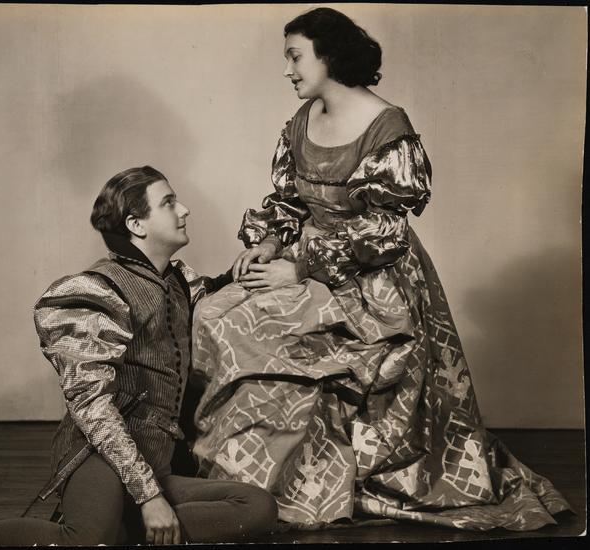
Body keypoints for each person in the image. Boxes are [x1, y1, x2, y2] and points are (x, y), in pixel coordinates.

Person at [190, 8, 571, 531]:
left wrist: (299, 268)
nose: (287, 70)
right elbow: (288, 200)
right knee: (216, 313)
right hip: (309, 261)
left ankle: (320, 477)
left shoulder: (388, 128)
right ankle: (261, 478)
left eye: (295, 57)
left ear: (328, 56)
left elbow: (383, 231)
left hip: (371, 276)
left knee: (260, 330)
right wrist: (271, 243)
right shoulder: (301, 121)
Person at [0, 166, 278, 545]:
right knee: (86, 539)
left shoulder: (175, 282)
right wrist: (150, 497)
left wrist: (258, 259)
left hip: (157, 458)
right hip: (101, 453)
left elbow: (206, 299)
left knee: (258, 508)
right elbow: (91, 406)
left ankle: (120, 529)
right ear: (136, 224)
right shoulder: (98, 289)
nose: (184, 210)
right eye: (168, 202)